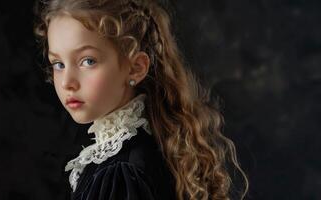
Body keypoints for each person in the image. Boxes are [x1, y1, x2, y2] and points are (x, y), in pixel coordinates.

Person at [33, 0, 249, 199]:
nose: (67, 82)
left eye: (88, 61)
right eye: (58, 64)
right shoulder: (145, 151)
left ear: (136, 68)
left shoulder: (121, 172)